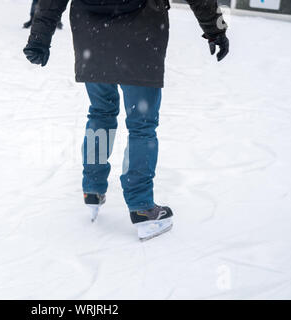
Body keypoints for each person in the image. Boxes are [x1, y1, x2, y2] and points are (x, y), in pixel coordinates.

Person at [23, 0, 229, 241]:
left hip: (92, 36)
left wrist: (39, 36)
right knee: (142, 126)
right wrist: (216, 29)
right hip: (141, 36)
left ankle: (93, 187)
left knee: (100, 113)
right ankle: (141, 205)